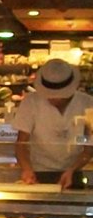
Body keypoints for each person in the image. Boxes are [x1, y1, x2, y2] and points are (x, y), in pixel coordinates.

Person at [14, 58, 93, 189]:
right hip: (37, 172)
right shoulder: (31, 102)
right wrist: (26, 169)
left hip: (74, 171)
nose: (53, 98)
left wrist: (72, 170)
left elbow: (88, 145)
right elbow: (21, 143)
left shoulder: (87, 103)